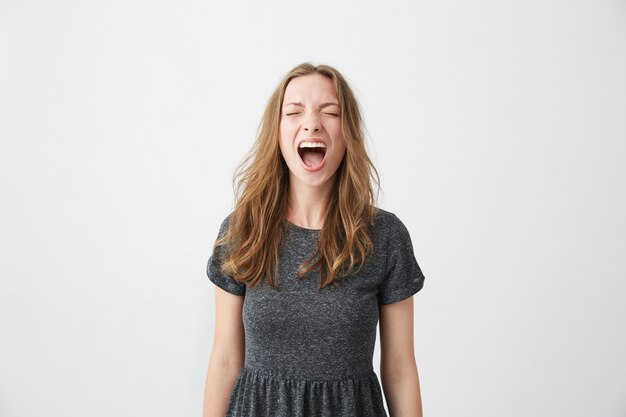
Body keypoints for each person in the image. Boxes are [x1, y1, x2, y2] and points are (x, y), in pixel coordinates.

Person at [203, 62, 426, 417]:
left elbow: (399, 370)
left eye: (330, 112)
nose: (311, 123)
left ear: (348, 132)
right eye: (294, 111)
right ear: (276, 132)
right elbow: (226, 359)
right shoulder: (241, 231)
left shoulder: (384, 236)